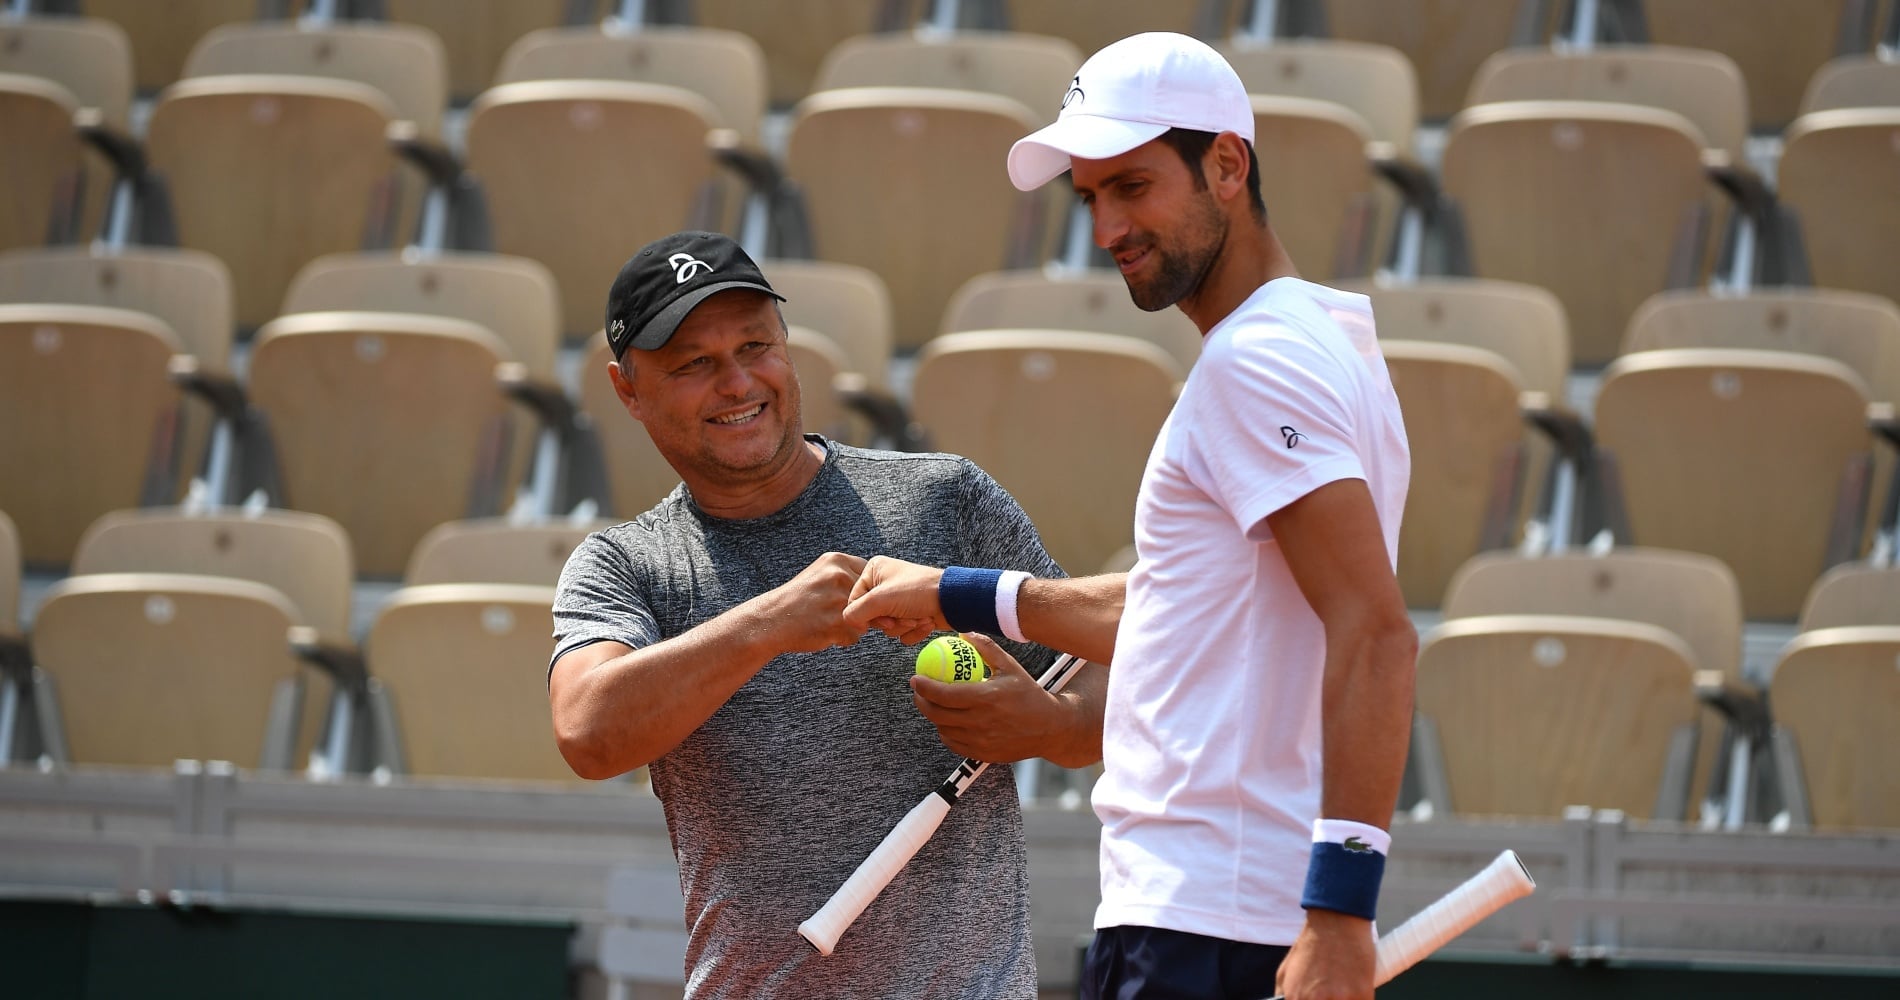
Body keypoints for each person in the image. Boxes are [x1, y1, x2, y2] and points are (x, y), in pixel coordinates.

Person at [844, 33, 1416, 1000]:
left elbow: (1377, 633)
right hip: (1213, 914)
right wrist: (957, 594)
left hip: (1212, 923)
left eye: (1134, 186)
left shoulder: (1255, 364)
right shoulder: (1318, 343)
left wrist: (1341, 913)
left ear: (1226, 165)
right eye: (1089, 196)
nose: (1107, 226)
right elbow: (1193, 608)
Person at [546, 230, 1107, 999]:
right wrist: (769, 622)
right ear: (627, 390)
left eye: (756, 346)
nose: (738, 382)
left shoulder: (946, 497)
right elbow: (587, 730)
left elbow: (1111, 678)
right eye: (694, 365)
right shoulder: (623, 565)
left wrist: (1049, 725)